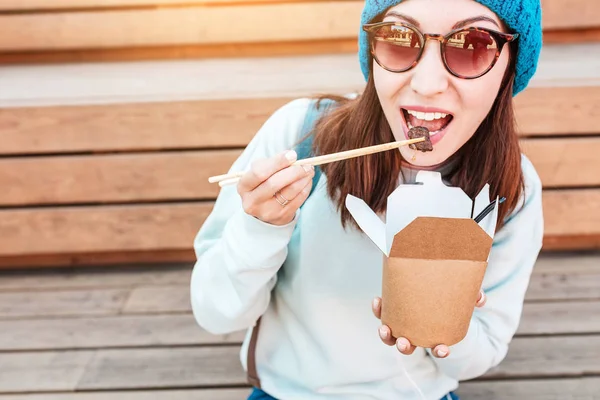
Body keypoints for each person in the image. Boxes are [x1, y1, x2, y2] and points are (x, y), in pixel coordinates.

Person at [190, 0, 544, 398]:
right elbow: (216, 313)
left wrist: (446, 314)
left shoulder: (510, 189)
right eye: (399, 39)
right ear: (372, 53)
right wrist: (259, 229)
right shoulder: (300, 136)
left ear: (510, 68)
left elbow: (483, 354)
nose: (427, 84)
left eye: (471, 45)